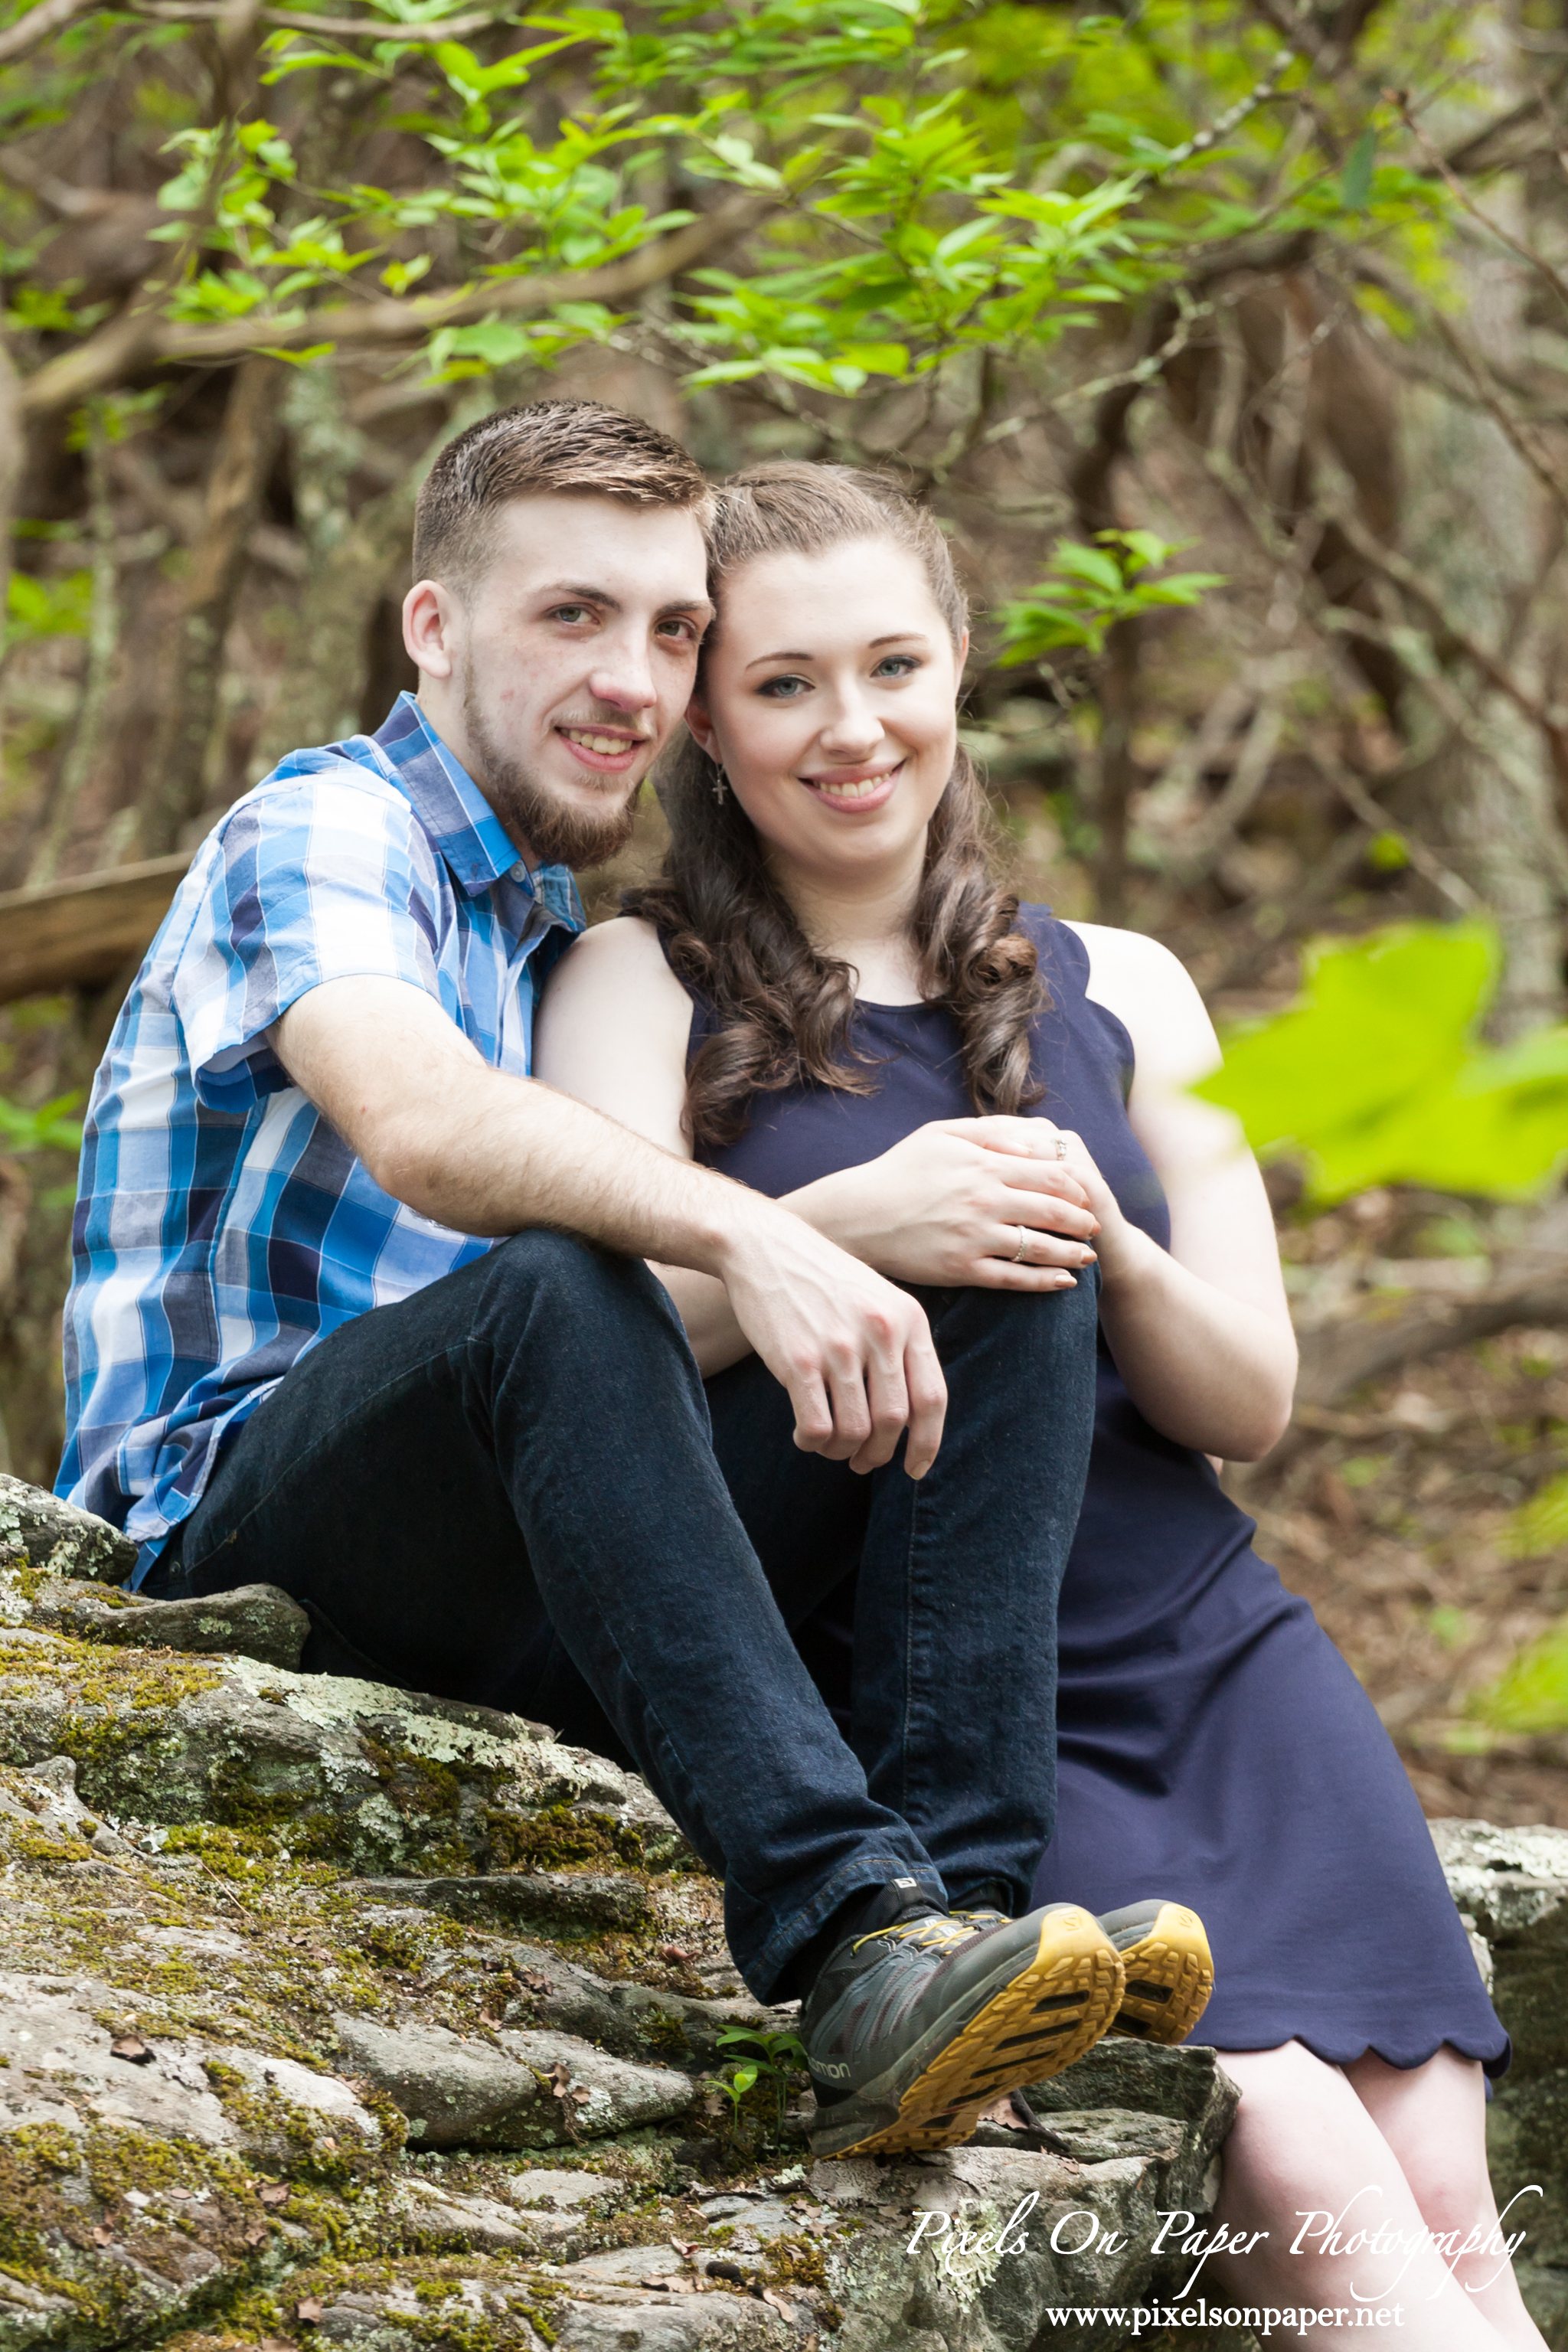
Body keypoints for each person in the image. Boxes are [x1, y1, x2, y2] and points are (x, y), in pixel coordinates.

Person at [54, 397, 1204, 2164]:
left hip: (503, 1558)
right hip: (236, 1530)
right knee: (563, 1283)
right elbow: (430, 1130)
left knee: (1005, 1257)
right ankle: (848, 1930)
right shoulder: (329, 831)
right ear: (434, 628)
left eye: (672, 631)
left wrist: (880, 1240)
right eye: (571, 616)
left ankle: (965, 1933)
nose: (634, 679)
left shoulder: (538, 918)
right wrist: (758, 1229)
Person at [535, 459, 1542, 2349]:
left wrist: (1108, 1245)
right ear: (703, 719)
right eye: (784, 685)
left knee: (1441, 2179)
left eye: (895, 665)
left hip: (1215, 1649)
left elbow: (1245, 1396)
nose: (854, 729)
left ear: (961, 664)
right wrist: (842, 1220)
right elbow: (593, 1351)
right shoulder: (628, 979)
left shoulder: (1133, 988)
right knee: (1298, 2154)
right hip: (945, 1666)